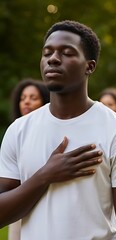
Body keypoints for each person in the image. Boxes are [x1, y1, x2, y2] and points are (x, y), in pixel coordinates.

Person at [0, 20, 116, 239]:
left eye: (67, 53)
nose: (53, 59)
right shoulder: (19, 130)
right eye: (47, 53)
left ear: (90, 66)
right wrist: (44, 176)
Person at [8, 78, 50, 240]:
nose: (26, 102)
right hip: (19, 207)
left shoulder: (52, 134)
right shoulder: (14, 135)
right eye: (23, 98)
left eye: (33, 98)